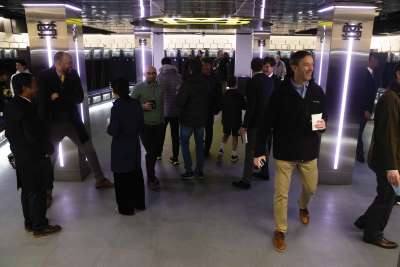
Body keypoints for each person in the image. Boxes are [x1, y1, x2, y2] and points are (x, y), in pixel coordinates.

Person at [254, 51, 327, 252]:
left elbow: (323, 118)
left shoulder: (317, 92)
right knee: (281, 194)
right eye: (306, 64)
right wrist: (259, 151)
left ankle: (303, 206)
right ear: (294, 67)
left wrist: (322, 125)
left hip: (309, 151)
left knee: (311, 188)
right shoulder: (279, 93)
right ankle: (280, 230)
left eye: (312, 64)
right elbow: (265, 124)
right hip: (285, 153)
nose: (311, 68)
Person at [37, 52, 113, 198]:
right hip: (53, 124)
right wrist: (42, 125)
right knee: (51, 157)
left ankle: (100, 179)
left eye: (71, 62)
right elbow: (42, 102)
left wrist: (58, 96)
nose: (71, 65)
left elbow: (78, 97)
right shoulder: (44, 76)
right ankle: (47, 192)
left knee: (89, 149)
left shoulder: (73, 75)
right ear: (58, 63)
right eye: (68, 62)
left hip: (73, 121)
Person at [4, 73, 62, 237]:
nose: (36, 87)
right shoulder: (27, 108)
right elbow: (33, 135)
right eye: (34, 84)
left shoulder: (10, 105)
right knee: (38, 190)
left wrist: (17, 148)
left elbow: (9, 133)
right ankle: (40, 226)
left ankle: (29, 222)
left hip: (20, 155)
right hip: (34, 156)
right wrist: (47, 149)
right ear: (25, 88)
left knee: (27, 190)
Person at [354, 64, 400, 249]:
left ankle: (365, 221)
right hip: (388, 159)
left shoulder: (394, 97)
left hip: (391, 157)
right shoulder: (390, 99)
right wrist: (392, 167)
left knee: (385, 194)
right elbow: (388, 135)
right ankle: (373, 233)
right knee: (388, 197)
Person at [232, 57, 274, 189]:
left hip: (255, 122)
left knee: (250, 151)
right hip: (267, 122)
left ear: (251, 68)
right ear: (262, 67)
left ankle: (246, 181)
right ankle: (264, 172)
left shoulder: (252, 82)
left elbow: (251, 107)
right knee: (263, 148)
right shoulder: (269, 81)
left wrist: (245, 125)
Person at [108, 78, 145, 215]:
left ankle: (125, 208)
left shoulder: (116, 107)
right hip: (134, 144)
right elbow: (141, 124)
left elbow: (113, 130)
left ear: (115, 91)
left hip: (120, 146)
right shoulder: (136, 104)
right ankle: (139, 203)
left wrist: (109, 127)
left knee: (122, 178)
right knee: (136, 174)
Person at [132, 66, 163, 191]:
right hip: (145, 125)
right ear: (145, 74)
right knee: (150, 151)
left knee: (156, 151)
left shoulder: (161, 87)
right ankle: (151, 178)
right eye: (149, 73)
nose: (151, 75)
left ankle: (151, 173)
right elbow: (131, 104)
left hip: (160, 124)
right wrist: (142, 106)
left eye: (154, 73)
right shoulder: (139, 87)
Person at [176, 59, 209, 179]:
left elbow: (180, 102)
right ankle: (199, 171)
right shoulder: (205, 82)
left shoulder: (187, 83)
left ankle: (189, 170)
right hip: (200, 120)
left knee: (184, 144)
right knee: (200, 145)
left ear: (190, 69)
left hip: (187, 121)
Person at [158, 57, 182, 166]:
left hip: (163, 110)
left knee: (160, 134)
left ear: (162, 64)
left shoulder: (159, 77)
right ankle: (175, 157)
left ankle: (158, 154)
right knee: (175, 135)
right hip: (176, 110)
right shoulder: (179, 77)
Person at [356, 53, 379, 163]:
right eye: (375, 60)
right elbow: (363, 93)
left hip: (366, 110)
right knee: (359, 132)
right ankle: (359, 155)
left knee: (360, 132)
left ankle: (358, 154)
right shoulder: (365, 74)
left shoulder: (372, 74)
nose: (377, 62)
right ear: (369, 60)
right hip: (362, 110)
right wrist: (366, 109)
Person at [217, 78, 245, 163]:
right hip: (236, 119)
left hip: (226, 118)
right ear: (236, 84)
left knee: (226, 134)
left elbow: (221, 106)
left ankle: (221, 150)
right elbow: (244, 106)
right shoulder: (239, 95)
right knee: (235, 136)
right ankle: (233, 155)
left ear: (228, 84)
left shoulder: (224, 94)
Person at [202, 58, 223, 158]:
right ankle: (200, 148)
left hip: (210, 109)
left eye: (207, 65)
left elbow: (219, 94)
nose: (205, 67)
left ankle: (206, 150)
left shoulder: (215, 78)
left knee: (209, 130)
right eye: (204, 65)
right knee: (199, 130)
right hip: (198, 108)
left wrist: (217, 108)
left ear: (211, 66)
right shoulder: (198, 77)